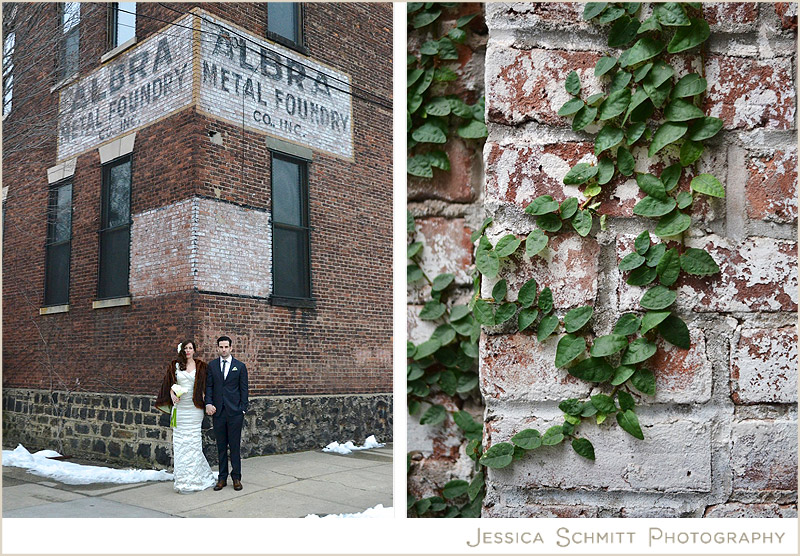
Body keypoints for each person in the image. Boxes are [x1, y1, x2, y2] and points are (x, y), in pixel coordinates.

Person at [155, 340, 217, 494]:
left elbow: (207, 385)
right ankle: (183, 480)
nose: (188, 350)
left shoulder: (201, 366)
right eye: (185, 348)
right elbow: (169, 384)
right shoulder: (174, 365)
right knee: (181, 444)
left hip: (195, 409)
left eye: (190, 348)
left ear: (194, 350)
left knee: (194, 444)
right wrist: (172, 395)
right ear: (181, 350)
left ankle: (195, 479)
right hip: (180, 409)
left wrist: (206, 399)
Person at [205, 335, 249, 491]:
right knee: (221, 446)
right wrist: (208, 403)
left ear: (231, 348)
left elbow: (244, 389)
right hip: (218, 412)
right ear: (217, 348)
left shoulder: (240, 366)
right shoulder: (212, 366)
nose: (223, 350)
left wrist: (243, 408)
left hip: (235, 412)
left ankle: (236, 477)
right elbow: (209, 387)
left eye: (226, 347)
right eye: (221, 347)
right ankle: (222, 478)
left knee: (234, 446)